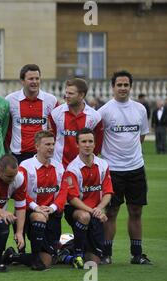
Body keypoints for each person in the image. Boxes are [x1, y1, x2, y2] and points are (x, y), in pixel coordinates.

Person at [98, 70, 152, 265]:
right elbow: (96, 138)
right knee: (111, 213)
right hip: (112, 170)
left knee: (136, 212)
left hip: (136, 168)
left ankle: (137, 254)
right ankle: (106, 253)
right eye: (119, 85)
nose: (122, 88)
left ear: (131, 86)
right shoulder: (104, 111)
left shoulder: (140, 109)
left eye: (125, 85)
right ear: (112, 87)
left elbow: (142, 136)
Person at [4, 130, 68, 271]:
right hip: (30, 214)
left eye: (52, 144)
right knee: (39, 217)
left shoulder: (59, 167)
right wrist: (35, 207)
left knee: (48, 260)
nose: (51, 147)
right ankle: (35, 260)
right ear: (37, 146)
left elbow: (64, 191)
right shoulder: (25, 166)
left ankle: (12, 256)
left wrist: (52, 208)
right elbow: (19, 193)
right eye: (47, 144)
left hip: (51, 214)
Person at [63, 128, 113, 268]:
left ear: (95, 144)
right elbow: (72, 199)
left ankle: (66, 250)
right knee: (84, 217)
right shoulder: (72, 169)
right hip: (77, 210)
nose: (87, 144)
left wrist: (99, 208)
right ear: (77, 144)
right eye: (83, 141)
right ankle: (77, 254)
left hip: (95, 211)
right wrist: (93, 211)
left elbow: (108, 192)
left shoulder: (103, 165)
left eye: (90, 141)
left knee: (93, 262)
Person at [5, 64, 58, 164]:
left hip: (41, 154)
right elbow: (5, 128)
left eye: (37, 78)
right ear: (22, 80)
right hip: (18, 155)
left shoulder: (51, 100)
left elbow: (56, 128)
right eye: (31, 79)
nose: (34, 82)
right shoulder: (10, 100)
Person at [48, 78, 103, 168]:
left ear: (81, 95)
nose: (66, 96)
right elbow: (52, 138)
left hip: (84, 167)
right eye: (66, 93)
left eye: (71, 93)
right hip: (60, 167)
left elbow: (97, 145)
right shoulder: (55, 113)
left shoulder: (95, 116)